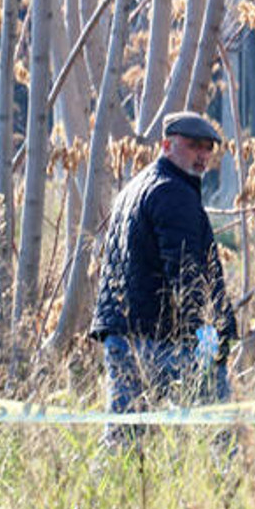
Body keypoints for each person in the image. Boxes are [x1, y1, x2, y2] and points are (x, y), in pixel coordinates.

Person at [89, 111, 237, 448]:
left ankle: (101, 498)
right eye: (193, 146)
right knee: (219, 430)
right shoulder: (173, 193)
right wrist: (206, 332)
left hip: (122, 337)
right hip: (159, 340)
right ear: (167, 145)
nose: (202, 156)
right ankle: (228, 492)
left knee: (122, 439)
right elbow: (186, 272)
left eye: (207, 148)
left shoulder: (135, 187)